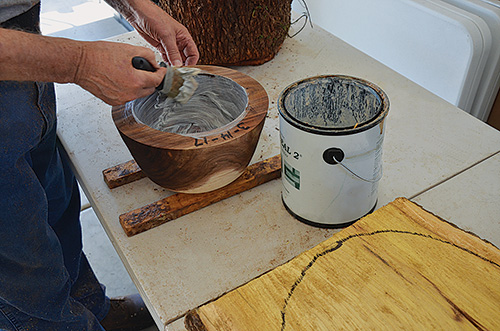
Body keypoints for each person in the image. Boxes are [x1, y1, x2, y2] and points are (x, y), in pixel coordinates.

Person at [0, 0, 199, 330]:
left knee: (55, 205)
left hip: (20, 38)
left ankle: (92, 310)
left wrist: (134, 6)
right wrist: (78, 63)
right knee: (21, 269)